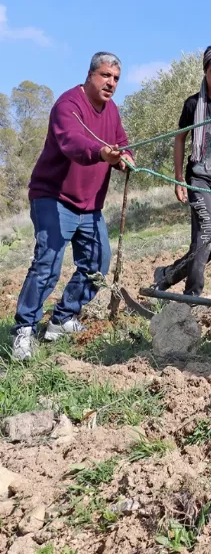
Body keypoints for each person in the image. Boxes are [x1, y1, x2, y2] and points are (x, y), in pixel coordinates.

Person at [11, 52, 133, 360]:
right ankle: (24, 330)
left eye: (116, 78)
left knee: (97, 263)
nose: (111, 83)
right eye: (106, 75)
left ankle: (61, 318)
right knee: (48, 263)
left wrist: (126, 158)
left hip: (89, 205)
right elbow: (73, 144)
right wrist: (101, 152)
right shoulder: (68, 106)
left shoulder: (112, 111)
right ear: (90, 75)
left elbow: (121, 142)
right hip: (53, 196)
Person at [153, 46, 211, 298]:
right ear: (205, 71)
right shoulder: (193, 104)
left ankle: (167, 275)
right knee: (205, 232)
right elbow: (180, 139)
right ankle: (192, 295)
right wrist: (179, 179)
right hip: (198, 180)